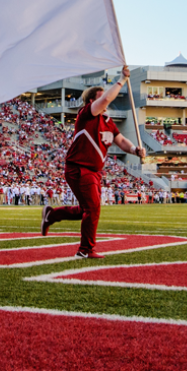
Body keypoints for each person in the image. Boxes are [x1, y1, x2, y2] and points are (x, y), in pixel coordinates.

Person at [41, 66, 146, 258]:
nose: (106, 99)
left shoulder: (108, 121)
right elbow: (106, 99)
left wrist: (134, 150)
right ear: (92, 101)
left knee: (85, 210)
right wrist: (122, 79)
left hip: (94, 171)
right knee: (93, 208)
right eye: (100, 96)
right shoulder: (86, 114)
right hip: (80, 168)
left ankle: (51, 215)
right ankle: (85, 250)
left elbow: (121, 140)